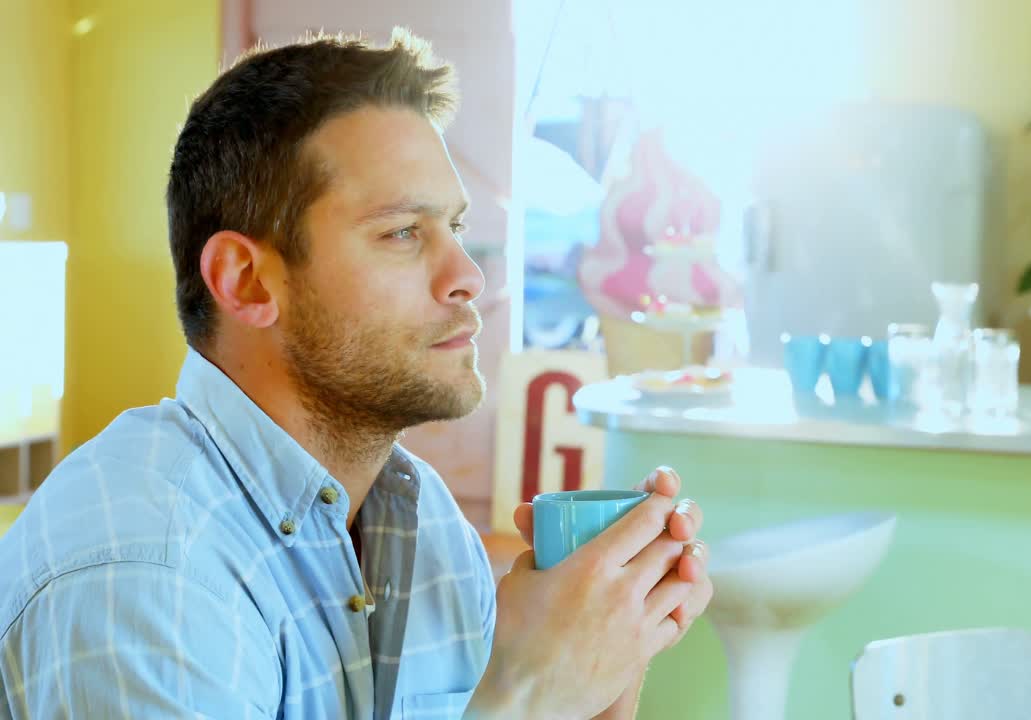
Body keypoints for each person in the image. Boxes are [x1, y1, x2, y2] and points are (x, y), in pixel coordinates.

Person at [0, 29, 712, 719]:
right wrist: (526, 700)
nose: (468, 275)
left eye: (455, 229)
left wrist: (597, 678)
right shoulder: (144, 577)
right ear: (245, 282)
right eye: (403, 232)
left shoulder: (422, 522)